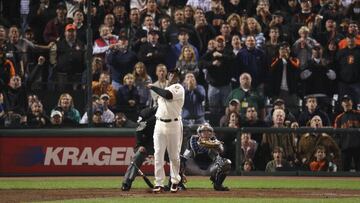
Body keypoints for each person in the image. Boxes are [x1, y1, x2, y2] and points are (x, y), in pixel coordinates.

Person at [147, 68, 184, 193]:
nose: (172, 76)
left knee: (174, 155)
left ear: (178, 77)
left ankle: (174, 181)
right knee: (158, 154)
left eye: (175, 74)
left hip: (174, 124)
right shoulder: (164, 89)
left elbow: (168, 95)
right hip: (159, 124)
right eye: (171, 74)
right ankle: (159, 183)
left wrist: (153, 87)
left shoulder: (179, 88)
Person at [181, 123, 231, 191]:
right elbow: (185, 155)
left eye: (208, 131)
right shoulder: (192, 140)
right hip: (195, 166)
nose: (206, 133)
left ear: (211, 133)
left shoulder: (214, 140)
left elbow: (221, 152)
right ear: (199, 133)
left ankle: (218, 184)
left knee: (227, 162)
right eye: (203, 131)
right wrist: (182, 172)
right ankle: (178, 183)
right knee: (179, 160)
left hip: (210, 167)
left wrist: (216, 147)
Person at [121, 106, 157, 191]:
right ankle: (127, 182)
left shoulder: (170, 111)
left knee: (175, 157)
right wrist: (140, 145)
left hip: (164, 142)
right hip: (148, 143)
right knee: (138, 156)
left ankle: (175, 183)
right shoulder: (146, 113)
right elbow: (139, 130)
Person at [334, 95, 360, 171]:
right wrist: (339, 146)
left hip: (358, 147)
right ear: (342, 104)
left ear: (351, 102)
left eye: (348, 101)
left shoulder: (358, 114)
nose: (346, 103)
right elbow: (336, 134)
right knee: (344, 172)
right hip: (345, 148)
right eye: (344, 101)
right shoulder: (339, 118)